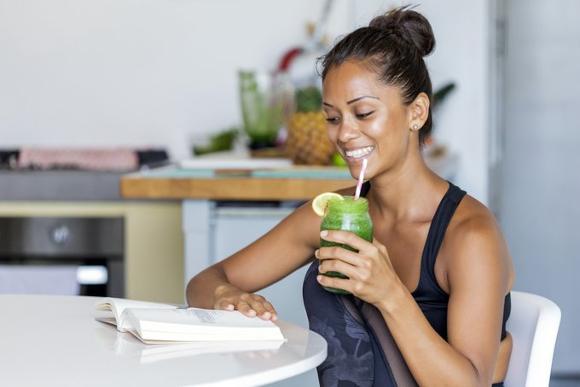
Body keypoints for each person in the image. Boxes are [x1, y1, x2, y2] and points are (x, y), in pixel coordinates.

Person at [187, 6, 514, 386]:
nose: (344, 134)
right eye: (332, 117)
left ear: (417, 112)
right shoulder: (331, 214)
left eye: (362, 113)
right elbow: (204, 282)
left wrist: (388, 293)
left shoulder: (470, 236)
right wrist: (227, 295)